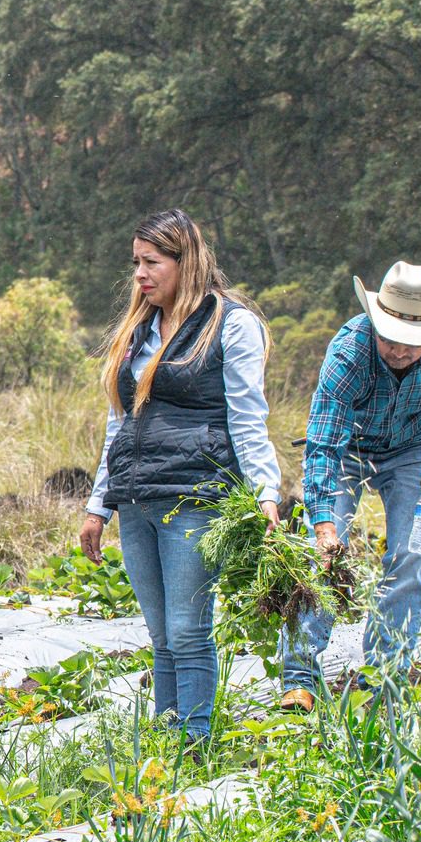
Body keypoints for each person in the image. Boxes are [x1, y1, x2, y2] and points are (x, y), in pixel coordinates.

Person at [78, 209, 282, 745]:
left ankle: (195, 746)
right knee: (161, 634)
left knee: (189, 631)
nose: (139, 275)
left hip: (194, 498)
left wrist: (267, 496)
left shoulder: (230, 324)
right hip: (136, 498)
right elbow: (117, 423)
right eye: (136, 263)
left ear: (184, 261)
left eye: (151, 263)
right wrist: (99, 503)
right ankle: (166, 739)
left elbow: (247, 415)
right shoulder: (138, 330)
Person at [277, 261, 421, 707]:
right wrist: (323, 525)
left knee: (409, 555)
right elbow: (322, 446)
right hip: (346, 449)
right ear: (375, 324)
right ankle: (299, 676)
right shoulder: (349, 352)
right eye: (390, 340)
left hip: (412, 450)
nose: (399, 351)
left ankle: (383, 676)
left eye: (412, 344)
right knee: (321, 558)